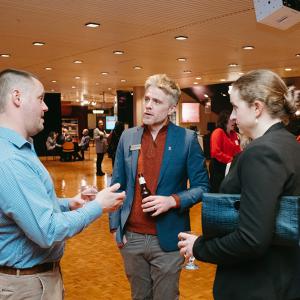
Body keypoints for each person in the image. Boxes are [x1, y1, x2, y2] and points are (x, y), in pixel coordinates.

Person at [0, 69, 125, 300]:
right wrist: (97, 205)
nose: (46, 107)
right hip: (25, 286)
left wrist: (70, 203)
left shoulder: (19, 150)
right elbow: (47, 231)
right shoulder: (10, 160)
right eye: (40, 99)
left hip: (33, 280)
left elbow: (24, 207)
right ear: (17, 98)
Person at [178, 69, 300, 300]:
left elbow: (252, 238)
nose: (232, 116)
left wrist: (199, 247)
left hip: (257, 285)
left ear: (256, 108)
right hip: (284, 278)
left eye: (236, 107)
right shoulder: (289, 144)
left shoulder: (262, 152)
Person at [109, 74, 210, 300]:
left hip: (169, 238)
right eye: (147, 99)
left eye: (157, 102)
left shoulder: (187, 139)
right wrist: (116, 228)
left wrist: (172, 200)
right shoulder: (128, 137)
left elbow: (202, 186)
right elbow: (117, 183)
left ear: (172, 108)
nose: (148, 106)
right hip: (132, 238)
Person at [209, 110, 241, 192]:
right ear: (224, 120)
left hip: (230, 167)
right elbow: (215, 153)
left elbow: (238, 150)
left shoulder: (234, 134)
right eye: (232, 119)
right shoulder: (218, 132)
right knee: (218, 190)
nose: (234, 122)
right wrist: (232, 160)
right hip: (219, 167)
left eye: (235, 119)